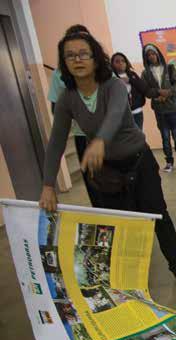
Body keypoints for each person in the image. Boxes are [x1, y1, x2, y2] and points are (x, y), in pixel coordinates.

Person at [38, 32, 176, 288]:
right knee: (123, 225)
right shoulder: (68, 97)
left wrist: (100, 140)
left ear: (95, 58)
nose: (77, 59)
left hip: (139, 160)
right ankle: (134, 279)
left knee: (157, 215)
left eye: (83, 54)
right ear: (64, 62)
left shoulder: (112, 85)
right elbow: (57, 141)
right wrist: (48, 184)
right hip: (109, 172)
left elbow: (115, 114)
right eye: (70, 55)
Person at [47, 24, 98, 206]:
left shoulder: (103, 72)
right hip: (82, 136)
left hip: (110, 136)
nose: (78, 57)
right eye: (71, 52)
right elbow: (56, 110)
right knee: (95, 188)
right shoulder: (58, 75)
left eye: (83, 50)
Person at [141, 43, 176, 172]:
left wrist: (168, 93)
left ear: (158, 54)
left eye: (153, 54)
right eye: (148, 55)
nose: (151, 57)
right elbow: (145, 90)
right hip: (159, 110)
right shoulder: (145, 73)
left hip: (173, 108)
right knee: (165, 137)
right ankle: (169, 162)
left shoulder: (169, 68)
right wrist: (156, 94)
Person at [110, 52, 158, 131]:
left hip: (137, 112)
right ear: (112, 64)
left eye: (123, 61)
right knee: (126, 138)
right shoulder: (111, 78)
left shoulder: (132, 75)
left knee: (139, 135)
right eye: (117, 61)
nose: (121, 63)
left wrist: (130, 80)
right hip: (122, 115)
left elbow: (143, 88)